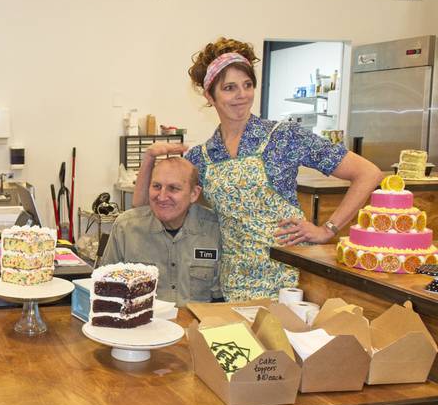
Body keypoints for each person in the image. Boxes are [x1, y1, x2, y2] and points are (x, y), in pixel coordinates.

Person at [133, 37, 382, 301]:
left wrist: (328, 229)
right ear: (210, 95)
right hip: (232, 284)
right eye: (229, 87)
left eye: (247, 85)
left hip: (291, 279)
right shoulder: (203, 157)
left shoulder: (284, 137)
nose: (241, 95)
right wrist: (149, 158)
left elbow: (368, 173)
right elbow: (143, 209)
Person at [100, 157, 222, 305]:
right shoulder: (126, 228)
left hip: (196, 325)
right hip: (142, 324)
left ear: (194, 194)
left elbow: (221, 299)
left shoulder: (216, 230)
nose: (162, 197)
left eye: (173, 188)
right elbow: (104, 290)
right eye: (156, 186)